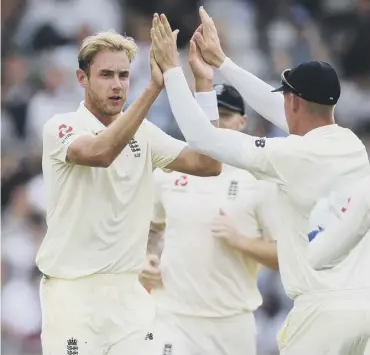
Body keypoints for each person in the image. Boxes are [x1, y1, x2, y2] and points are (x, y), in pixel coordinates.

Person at [150, 9, 370, 355]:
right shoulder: (351, 145)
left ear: (293, 101)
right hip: (362, 308)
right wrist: (223, 62)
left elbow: (203, 139)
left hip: (322, 313)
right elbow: (280, 106)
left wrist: (174, 71)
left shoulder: (290, 156)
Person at [37, 29, 222, 355]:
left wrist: (203, 83)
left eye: (124, 75)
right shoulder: (61, 127)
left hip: (129, 295)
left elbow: (209, 162)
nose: (118, 84)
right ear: (82, 78)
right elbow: (100, 153)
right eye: (106, 74)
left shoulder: (145, 134)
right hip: (72, 296)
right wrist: (153, 89)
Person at [140, 83, 279, 355]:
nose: (214, 125)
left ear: (242, 121)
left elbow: (283, 256)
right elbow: (151, 230)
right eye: (207, 117)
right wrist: (146, 258)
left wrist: (239, 241)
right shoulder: (169, 172)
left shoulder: (260, 180)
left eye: (224, 116)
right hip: (171, 316)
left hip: (231, 322)